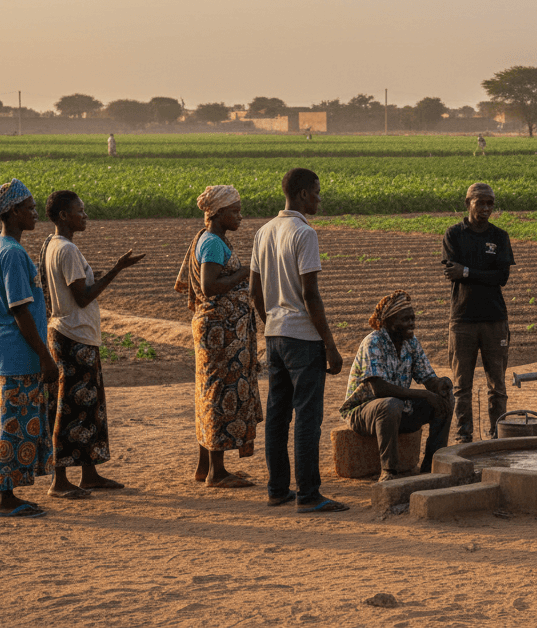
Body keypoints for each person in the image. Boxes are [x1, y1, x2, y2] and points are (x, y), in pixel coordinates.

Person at [250, 168, 348, 513]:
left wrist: (272, 322)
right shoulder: (304, 233)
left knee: (278, 415)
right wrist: (330, 345)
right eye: (318, 192)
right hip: (303, 339)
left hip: (274, 335)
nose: (321, 198)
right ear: (304, 194)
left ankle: (278, 489)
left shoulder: (264, 231)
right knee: (307, 417)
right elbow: (311, 294)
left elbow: (253, 290)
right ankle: (308, 494)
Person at [39, 190, 145, 499]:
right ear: (63, 216)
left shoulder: (52, 244)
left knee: (87, 408)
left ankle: (89, 473)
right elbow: (82, 296)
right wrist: (117, 269)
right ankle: (59, 480)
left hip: (67, 332)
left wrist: (106, 271)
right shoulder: (68, 249)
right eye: (80, 211)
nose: (85, 215)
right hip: (74, 335)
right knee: (70, 408)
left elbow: (75, 284)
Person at [0, 178, 56, 518]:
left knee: (10, 422)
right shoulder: (12, 253)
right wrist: (45, 357)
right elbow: (20, 311)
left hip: (6, 351)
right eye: (30, 208)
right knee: (13, 424)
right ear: (13, 212)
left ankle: (4, 493)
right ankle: (3, 498)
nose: (35, 214)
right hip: (18, 351)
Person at [173, 185, 263, 489]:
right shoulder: (212, 243)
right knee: (219, 395)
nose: (240, 216)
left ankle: (205, 467)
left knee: (209, 393)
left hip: (219, 332)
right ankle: (217, 472)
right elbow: (210, 286)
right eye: (234, 211)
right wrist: (247, 272)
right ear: (218, 213)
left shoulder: (210, 239)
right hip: (220, 333)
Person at [339, 290, 454, 480]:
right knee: (391, 404)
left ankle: (431, 465)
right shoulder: (373, 342)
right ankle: (389, 471)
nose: (412, 323)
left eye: (413, 318)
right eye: (406, 319)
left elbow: (428, 378)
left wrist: (441, 385)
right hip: (363, 412)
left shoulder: (411, 342)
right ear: (390, 322)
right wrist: (425, 395)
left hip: (399, 410)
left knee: (446, 400)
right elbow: (379, 390)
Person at [442, 182, 514, 442]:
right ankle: (464, 437)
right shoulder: (454, 235)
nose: (486, 208)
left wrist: (468, 272)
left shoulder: (499, 236)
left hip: (495, 319)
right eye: (480, 202)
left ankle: (497, 436)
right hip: (463, 318)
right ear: (468, 202)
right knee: (462, 386)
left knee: (498, 385)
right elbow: (453, 272)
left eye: (490, 203)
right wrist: (483, 274)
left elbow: (502, 277)